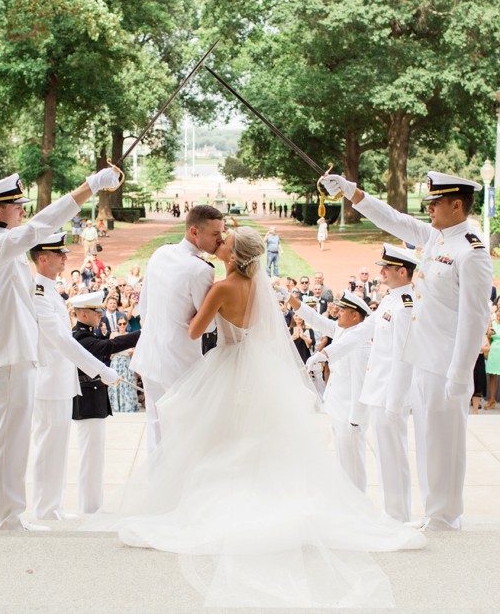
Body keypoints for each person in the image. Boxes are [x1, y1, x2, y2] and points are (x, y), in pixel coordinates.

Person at [83, 227, 426, 608]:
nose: (220, 243)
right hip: (258, 367)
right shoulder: (255, 288)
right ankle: (260, 494)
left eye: (225, 243)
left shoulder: (220, 288)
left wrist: (186, 311)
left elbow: (197, 329)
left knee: (221, 436)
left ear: (233, 255)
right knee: (258, 437)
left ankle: (226, 499)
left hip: (228, 364)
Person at [321, 170, 493, 531]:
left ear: (456, 205)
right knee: (429, 440)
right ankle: (435, 513)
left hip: (447, 363)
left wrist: (461, 373)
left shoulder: (470, 250)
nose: (429, 209)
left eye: (435, 203)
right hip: (423, 358)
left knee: (446, 441)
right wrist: (352, 193)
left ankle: (446, 515)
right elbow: (395, 219)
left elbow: (475, 317)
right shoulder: (437, 239)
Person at [0, 167, 120, 532]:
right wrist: (90, 187)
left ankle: (10, 514)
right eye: (14, 204)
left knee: (15, 441)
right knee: (8, 441)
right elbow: (37, 228)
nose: (21, 208)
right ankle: (5, 517)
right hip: (6, 355)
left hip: (15, 354)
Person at [315, 243, 419, 521]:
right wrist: (326, 353)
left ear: (402, 271)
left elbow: (404, 357)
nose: (381, 272)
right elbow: (360, 332)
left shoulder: (406, 305)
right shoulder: (389, 300)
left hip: (390, 395)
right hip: (378, 392)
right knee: (385, 458)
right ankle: (391, 513)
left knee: (393, 458)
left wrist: (396, 400)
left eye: (386, 267)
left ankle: (398, 516)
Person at [30, 233, 118, 522]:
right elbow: (62, 341)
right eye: (59, 254)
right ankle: (44, 510)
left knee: (56, 450)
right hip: (49, 382)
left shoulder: (51, 291)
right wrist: (101, 370)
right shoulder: (39, 293)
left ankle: (52, 508)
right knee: (48, 450)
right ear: (43, 258)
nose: (65, 258)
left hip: (59, 383)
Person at [129, 205, 223, 457]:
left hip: (150, 356)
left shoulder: (161, 252)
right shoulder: (201, 269)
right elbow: (209, 325)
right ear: (194, 231)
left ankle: (157, 491)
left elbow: (144, 305)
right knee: (184, 436)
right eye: (215, 234)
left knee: (156, 433)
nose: (220, 239)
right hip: (180, 364)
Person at [290, 289, 373, 491]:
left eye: (342, 310)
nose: (337, 311)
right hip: (338, 409)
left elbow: (360, 385)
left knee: (353, 464)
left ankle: (358, 502)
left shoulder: (360, 345)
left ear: (355, 316)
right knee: (344, 464)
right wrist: (290, 299)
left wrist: (356, 419)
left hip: (349, 416)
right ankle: (350, 502)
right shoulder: (343, 331)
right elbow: (315, 319)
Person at [69, 292, 140, 513]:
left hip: (94, 401)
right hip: (87, 403)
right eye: (96, 311)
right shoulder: (80, 338)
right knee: (90, 459)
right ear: (83, 314)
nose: (101, 314)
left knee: (95, 459)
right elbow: (108, 347)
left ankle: (94, 505)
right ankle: (89, 508)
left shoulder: (90, 334)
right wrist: (142, 334)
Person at [107, 318, 140, 413]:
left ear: (126, 324)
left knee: (128, 384)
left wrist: (123, 351)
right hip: (117, 363)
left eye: (124, 323)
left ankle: (128, 407)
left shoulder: (129, 335)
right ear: (117, 325)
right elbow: (111, 349)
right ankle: (116, 407)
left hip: (126, 363)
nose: (122, 325)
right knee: (116, 383)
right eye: (120, 323)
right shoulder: (113, 334)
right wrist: (126, 351)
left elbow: (133, 351)